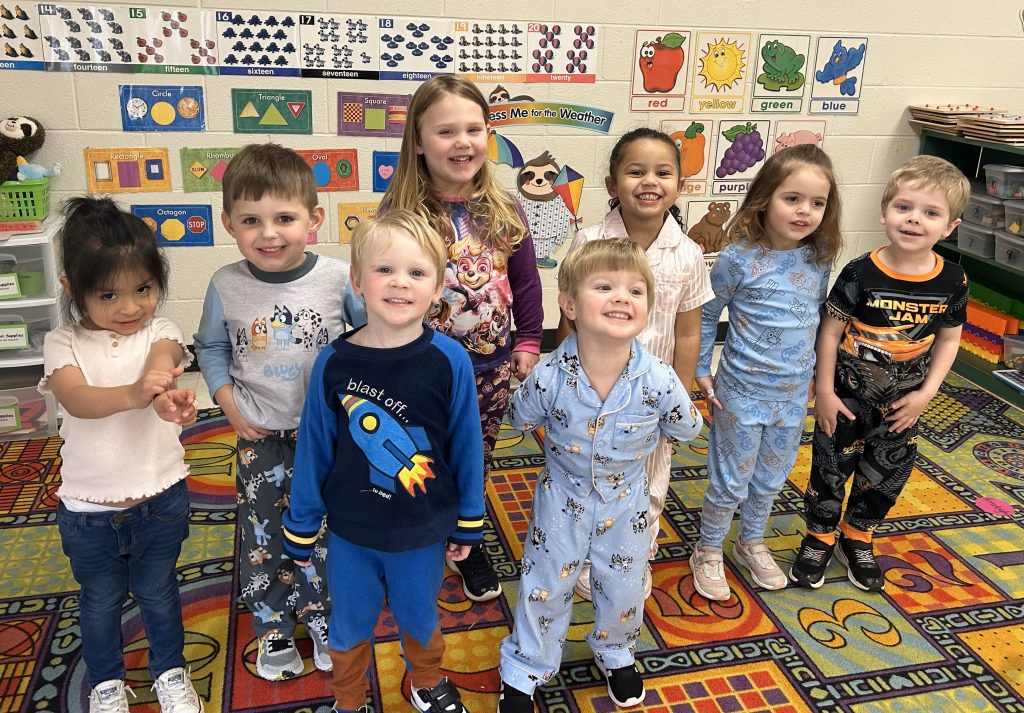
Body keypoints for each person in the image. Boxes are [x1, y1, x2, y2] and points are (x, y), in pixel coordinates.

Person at [282, 210, 484, 713]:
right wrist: (301, 524)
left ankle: (426, 679)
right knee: (349, 625)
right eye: (384, 270)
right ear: (357, 280)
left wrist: (468, 521)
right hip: (352, 532)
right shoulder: (333, 361)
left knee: (420, 619)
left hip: (423, 530)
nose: (400, 283)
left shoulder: (450, 359)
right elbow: (314, 447)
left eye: (417, 273)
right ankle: (349, 700)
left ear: (437, 288)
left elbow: (465, 445)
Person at [498, 239, 704, 713]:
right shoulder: (550, 375)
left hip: (627, 501)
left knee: (625, 583)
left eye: (635, 291)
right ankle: (526, 666)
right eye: (604, 286)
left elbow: (687, 428)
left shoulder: (659, 379)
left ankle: (616, 650)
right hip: (560, 497)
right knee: (545, 582)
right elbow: (519, 416)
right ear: (569, 304)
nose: (621, 297)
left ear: (648, 308)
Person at [371, 74, 544, 602]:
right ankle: (415, 537)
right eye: (446, 131)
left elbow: (527, 282)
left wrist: (529, 342)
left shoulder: (505, 208)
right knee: (418, 458)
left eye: (475, 129)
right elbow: (382, 290)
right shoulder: (401, 214)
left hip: (491, 369)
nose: (463, 142)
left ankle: (467, 539)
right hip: (421, 371)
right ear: (418, 141)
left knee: (475, 460)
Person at [193, 143, 348, 680]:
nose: (269, 233)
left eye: (285, 218)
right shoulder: (225, 284)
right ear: (227, 223)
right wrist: (226, 401)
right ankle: (273, 626)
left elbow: (366, 340)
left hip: (325, 437)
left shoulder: (337, 277)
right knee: (263, 534)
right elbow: (209, 349)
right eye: (251, 220)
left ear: (314, 219)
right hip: (258, 434)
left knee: (325, 531)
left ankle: (324, 618)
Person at [41, 197, 202, 712]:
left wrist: (166, 396)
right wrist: (136, 393)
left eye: (144, 289)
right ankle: (108, 683)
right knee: (100, 601)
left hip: (160, 498)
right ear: (72, 288)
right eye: (109, 294)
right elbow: (77, 400)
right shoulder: (61, 342)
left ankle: (171, 674)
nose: (131, 306)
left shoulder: (162, 332)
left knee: (159, 593)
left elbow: (163, 362)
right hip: (89, 511)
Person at [789, 155, 969, 592]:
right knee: (830, 467)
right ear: (885, 211)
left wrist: (927, 393)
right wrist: (827, 393)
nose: (914, 220)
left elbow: (948, 339)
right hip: (847, 397)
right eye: (904, 207)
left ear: (950, 226)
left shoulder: (954, 280)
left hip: (904, 403)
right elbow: (829, 333)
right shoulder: (860, 271)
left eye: (931, 213)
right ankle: (820, 534)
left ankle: (859, 535)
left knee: (886, 472)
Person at [557, 127, 714, 600]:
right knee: (584, 478)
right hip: (592, 391)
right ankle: (586, 555)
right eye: (635, 171)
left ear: (680, 186)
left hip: (651, 397)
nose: (650, 181)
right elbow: (567, 318)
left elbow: (687, 333)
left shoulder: (687, 254)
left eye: (663, 172)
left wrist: (679, 397)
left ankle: (631, 557)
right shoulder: (588, 240)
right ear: (612, 185)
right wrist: (566, 381)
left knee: (647, 483)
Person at [690, 144, 844, 601]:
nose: (805, 211)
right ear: (764, 198)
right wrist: (701, 368)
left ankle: (751, 541)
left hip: (793, 393)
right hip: (740, 391)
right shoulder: (738, 258)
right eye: (792, 198)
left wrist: (821, 378)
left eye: (818, 203)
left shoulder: (818, 257)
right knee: (731, 476)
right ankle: (708, 549)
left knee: (772, 476)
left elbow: (817, 321)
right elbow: (705, 313)